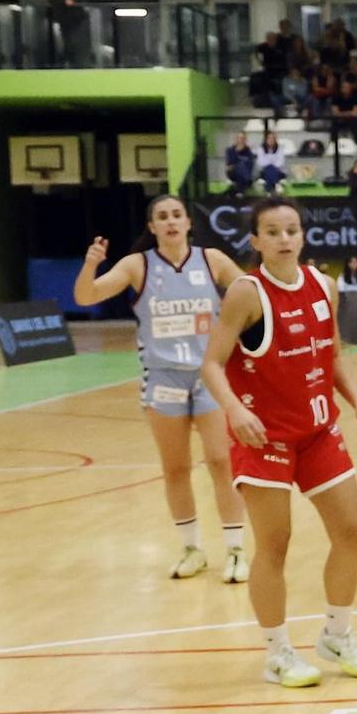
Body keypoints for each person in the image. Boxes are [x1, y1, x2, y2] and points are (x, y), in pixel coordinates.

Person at [196, 197, 357, 688]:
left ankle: (337, 634)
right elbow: (212, 364)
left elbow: (332, 354)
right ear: (255, 241)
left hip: (319, 431)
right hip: (265, 437)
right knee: (274, 545)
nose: (284, 238)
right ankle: (277, 652)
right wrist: (235, 411)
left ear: (302, 235)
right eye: (272, 231)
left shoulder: (325, 285)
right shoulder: (246, 292)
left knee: (351, 531)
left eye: (292, 230)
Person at [73, 195, 250, 583]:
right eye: (161, 217)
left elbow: (252, 294)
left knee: (222, 462)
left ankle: (236, 549)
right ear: (152, 228)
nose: (170, 222)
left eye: (176, 215)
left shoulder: (213, 260)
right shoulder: (137, 265)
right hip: (163, 380)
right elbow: (85, 297)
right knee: (176, 468)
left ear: (188, 222)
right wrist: (90, 265)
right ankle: (191, 548)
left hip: (209, 376)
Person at [224, 131, 257, 195]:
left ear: (246, 140)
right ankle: (248, 181)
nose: (241, 140)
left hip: (243, 173)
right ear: (236, 139)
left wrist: (237, 164)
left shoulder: (248, 151)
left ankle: (239, 193)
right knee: (241, 166)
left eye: (243, 138)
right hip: (232, 172)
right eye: (240, 138)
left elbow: (250, 164)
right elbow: (229, 165)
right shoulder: (230, 150)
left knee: (241, 172)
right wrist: (237, 165)